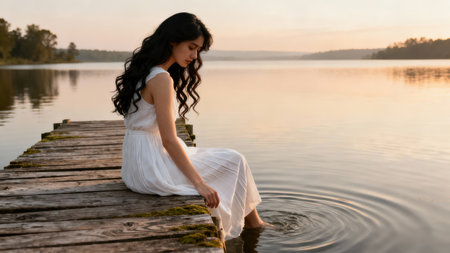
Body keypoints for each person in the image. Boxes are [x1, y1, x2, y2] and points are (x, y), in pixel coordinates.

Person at [112, 12, 269, 240]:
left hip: (135, 165)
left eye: (198, 50)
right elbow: (168, 139)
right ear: (173, 41)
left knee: (231, 160)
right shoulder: (161, 78)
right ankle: (255, 225)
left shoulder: (143, 72)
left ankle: (255, 224)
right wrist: (200, 184)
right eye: (191, 47)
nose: (194, 56)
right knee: (235, 160)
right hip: (152, 167)